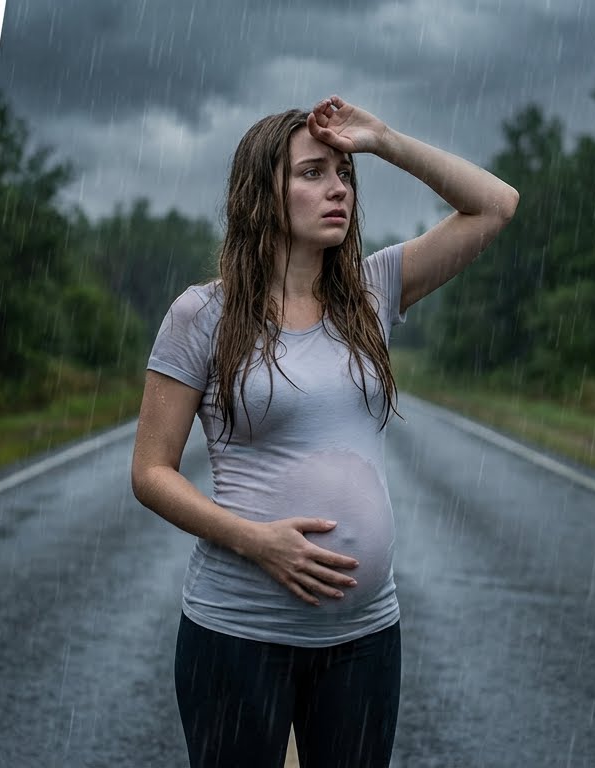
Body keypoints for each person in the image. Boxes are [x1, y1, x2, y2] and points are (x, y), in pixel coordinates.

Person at [131, 96, 519, 767]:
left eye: (343, 173)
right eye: (311, 173)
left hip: (365, 636)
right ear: (261, 193)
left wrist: (383, 138)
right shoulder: (202, 314)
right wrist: (256, 541)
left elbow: (495, 205)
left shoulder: (373, 293)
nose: (336, 187)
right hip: (237, 631)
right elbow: (150, 472)